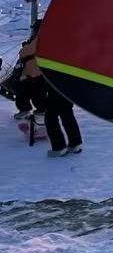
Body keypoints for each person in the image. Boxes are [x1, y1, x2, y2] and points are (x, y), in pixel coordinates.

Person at [18, 21, 82, 156]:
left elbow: (26, 52)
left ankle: (59, 147)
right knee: (67, 112)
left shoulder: (45, 36)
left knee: (51, 116)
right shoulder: (69, 37)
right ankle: (75, 143)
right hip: (70, 79)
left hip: (55, 80)